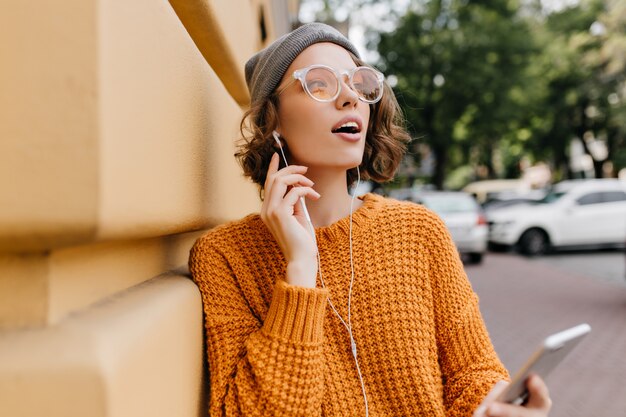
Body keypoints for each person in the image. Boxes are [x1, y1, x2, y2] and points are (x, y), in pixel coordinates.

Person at [189, 22, 552, 417]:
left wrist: (497, 402)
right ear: (273, 121)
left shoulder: (419, 231)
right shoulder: (224, 256)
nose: (350, 98)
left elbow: (472, 374)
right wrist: (300, 269)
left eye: (359, 84)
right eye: (320, 83)